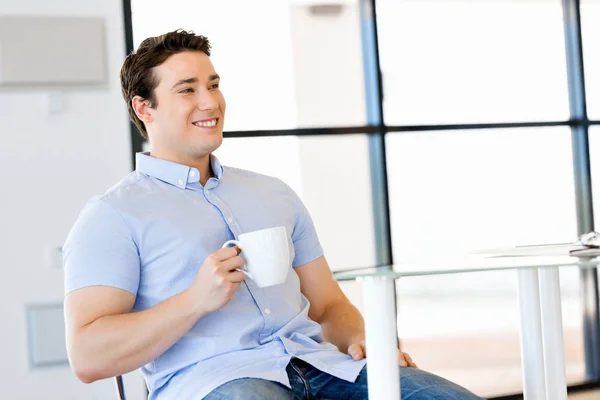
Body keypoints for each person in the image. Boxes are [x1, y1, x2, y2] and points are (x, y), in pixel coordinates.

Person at [63, 29, 483, 400]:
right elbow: (87, 357)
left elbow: (328, 305)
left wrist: (361, 338)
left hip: (326, 369)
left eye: (214, 84)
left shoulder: (272, 192)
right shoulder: (113, 215)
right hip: (217, 381)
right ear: (144, 108)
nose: (210, 101)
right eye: (187, 89)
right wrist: (194, 302)